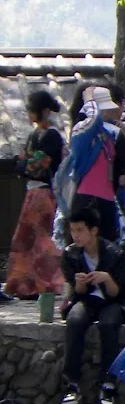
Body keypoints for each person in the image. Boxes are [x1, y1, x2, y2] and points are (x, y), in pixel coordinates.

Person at [60, 209, 125, 404]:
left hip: (115, 302)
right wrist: (80, 284)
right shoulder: (70, 254)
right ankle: (72, 383)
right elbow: (77, 292)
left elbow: (117, 293)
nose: (75, 235)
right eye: (73, 230)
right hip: (87, 300)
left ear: (93, 231)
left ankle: (108, 383)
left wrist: (107, 279)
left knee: (108, 323)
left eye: (80, 230)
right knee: (75, 320)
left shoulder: (115, 253)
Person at [6, 90, 66, 299]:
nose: (31, 116)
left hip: (45, 192)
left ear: (45, 112)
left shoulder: (52, 136)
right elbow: (26, 162)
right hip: (32, 191)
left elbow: (38, 164)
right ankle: (25, 283)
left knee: (41, 241)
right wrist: (25, 163)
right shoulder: (34, 135)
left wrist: (26, 163)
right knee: (26, 240)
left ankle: (44, 283)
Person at [64, 85, 125, 244]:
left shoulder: (103, 131)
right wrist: (90, 100)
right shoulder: (82, 130)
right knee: (88, 245)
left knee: (104, 247)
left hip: (99, 196)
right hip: (91, 197)